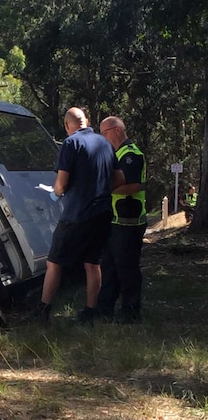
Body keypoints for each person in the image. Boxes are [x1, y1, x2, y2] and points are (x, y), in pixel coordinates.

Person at [30, 107, 123, 325]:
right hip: (102, 213)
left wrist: (54, 194)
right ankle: (90, 312)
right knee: (93, 264)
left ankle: (43, 311)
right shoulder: (104, 143)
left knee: (54, 262)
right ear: (87, 121)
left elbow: (61, 183)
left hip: (77, 214)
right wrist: (100, 190)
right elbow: (120, 178)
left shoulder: (71, 144)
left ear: (67, 126)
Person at [96, 117, 146, 323]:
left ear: (117, 130)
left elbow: (134, 185)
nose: (102, 137)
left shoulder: (131, 155)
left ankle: (131, 311)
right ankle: (104, 308)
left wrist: (104, 189)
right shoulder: (115, 154)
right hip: (114, 221)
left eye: (104, 132)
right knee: (109, 267)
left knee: (127, 268)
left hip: (128, 222)